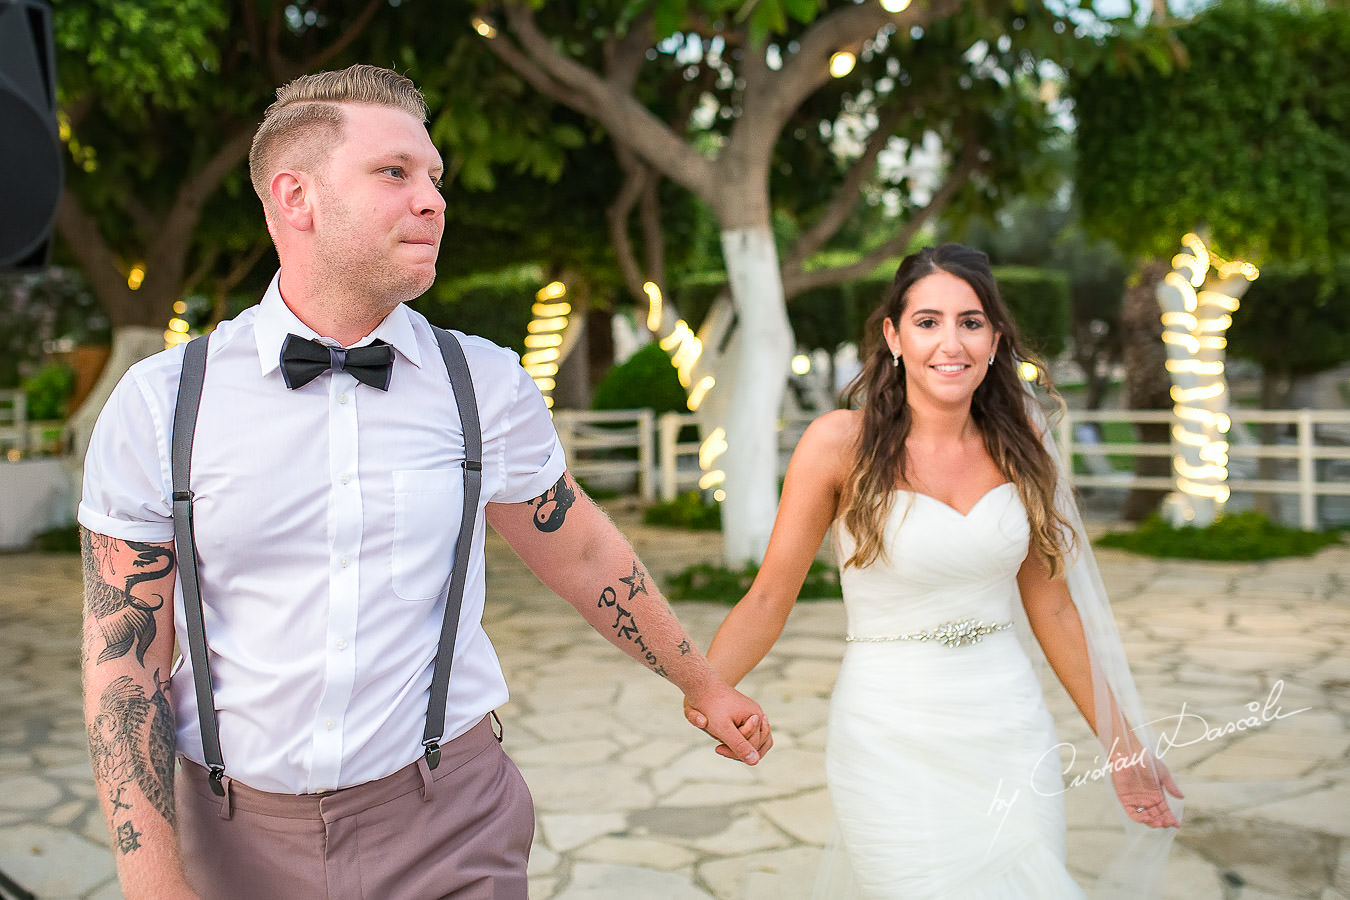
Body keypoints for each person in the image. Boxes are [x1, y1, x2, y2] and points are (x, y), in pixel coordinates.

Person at [78, 64, 771, 900]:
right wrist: (153, 884)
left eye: (434, 177)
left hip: (450, 820)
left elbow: (582, 550)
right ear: (294, 198)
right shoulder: (160, 405)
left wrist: (700, 681)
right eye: (395, 173)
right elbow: (125, 657)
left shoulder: (484, 384)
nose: (434, 199)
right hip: (229, 838)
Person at [688, 243, 1182, 898]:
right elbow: (770, 594)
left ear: (995, 337)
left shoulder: (1023, 444)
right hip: (890, 733)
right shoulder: (839, 444)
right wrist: (708, 688)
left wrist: (1124, 745)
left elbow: (1056, 608)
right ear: (893, 335)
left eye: (971, 321)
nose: (951, 342)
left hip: (1009, 728)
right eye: (927, 321)